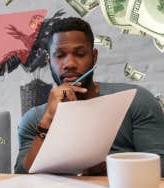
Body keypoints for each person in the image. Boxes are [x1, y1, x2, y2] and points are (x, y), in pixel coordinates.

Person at [14, 17, 164, 176]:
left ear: (94, 56)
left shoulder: (136, 99)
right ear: (49, 60)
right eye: (59, 55)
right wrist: (48, 119)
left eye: (80, 54)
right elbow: (22, 175)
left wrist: (109, 168)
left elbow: (160, 165)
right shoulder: (34, 119)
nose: (69, 63)